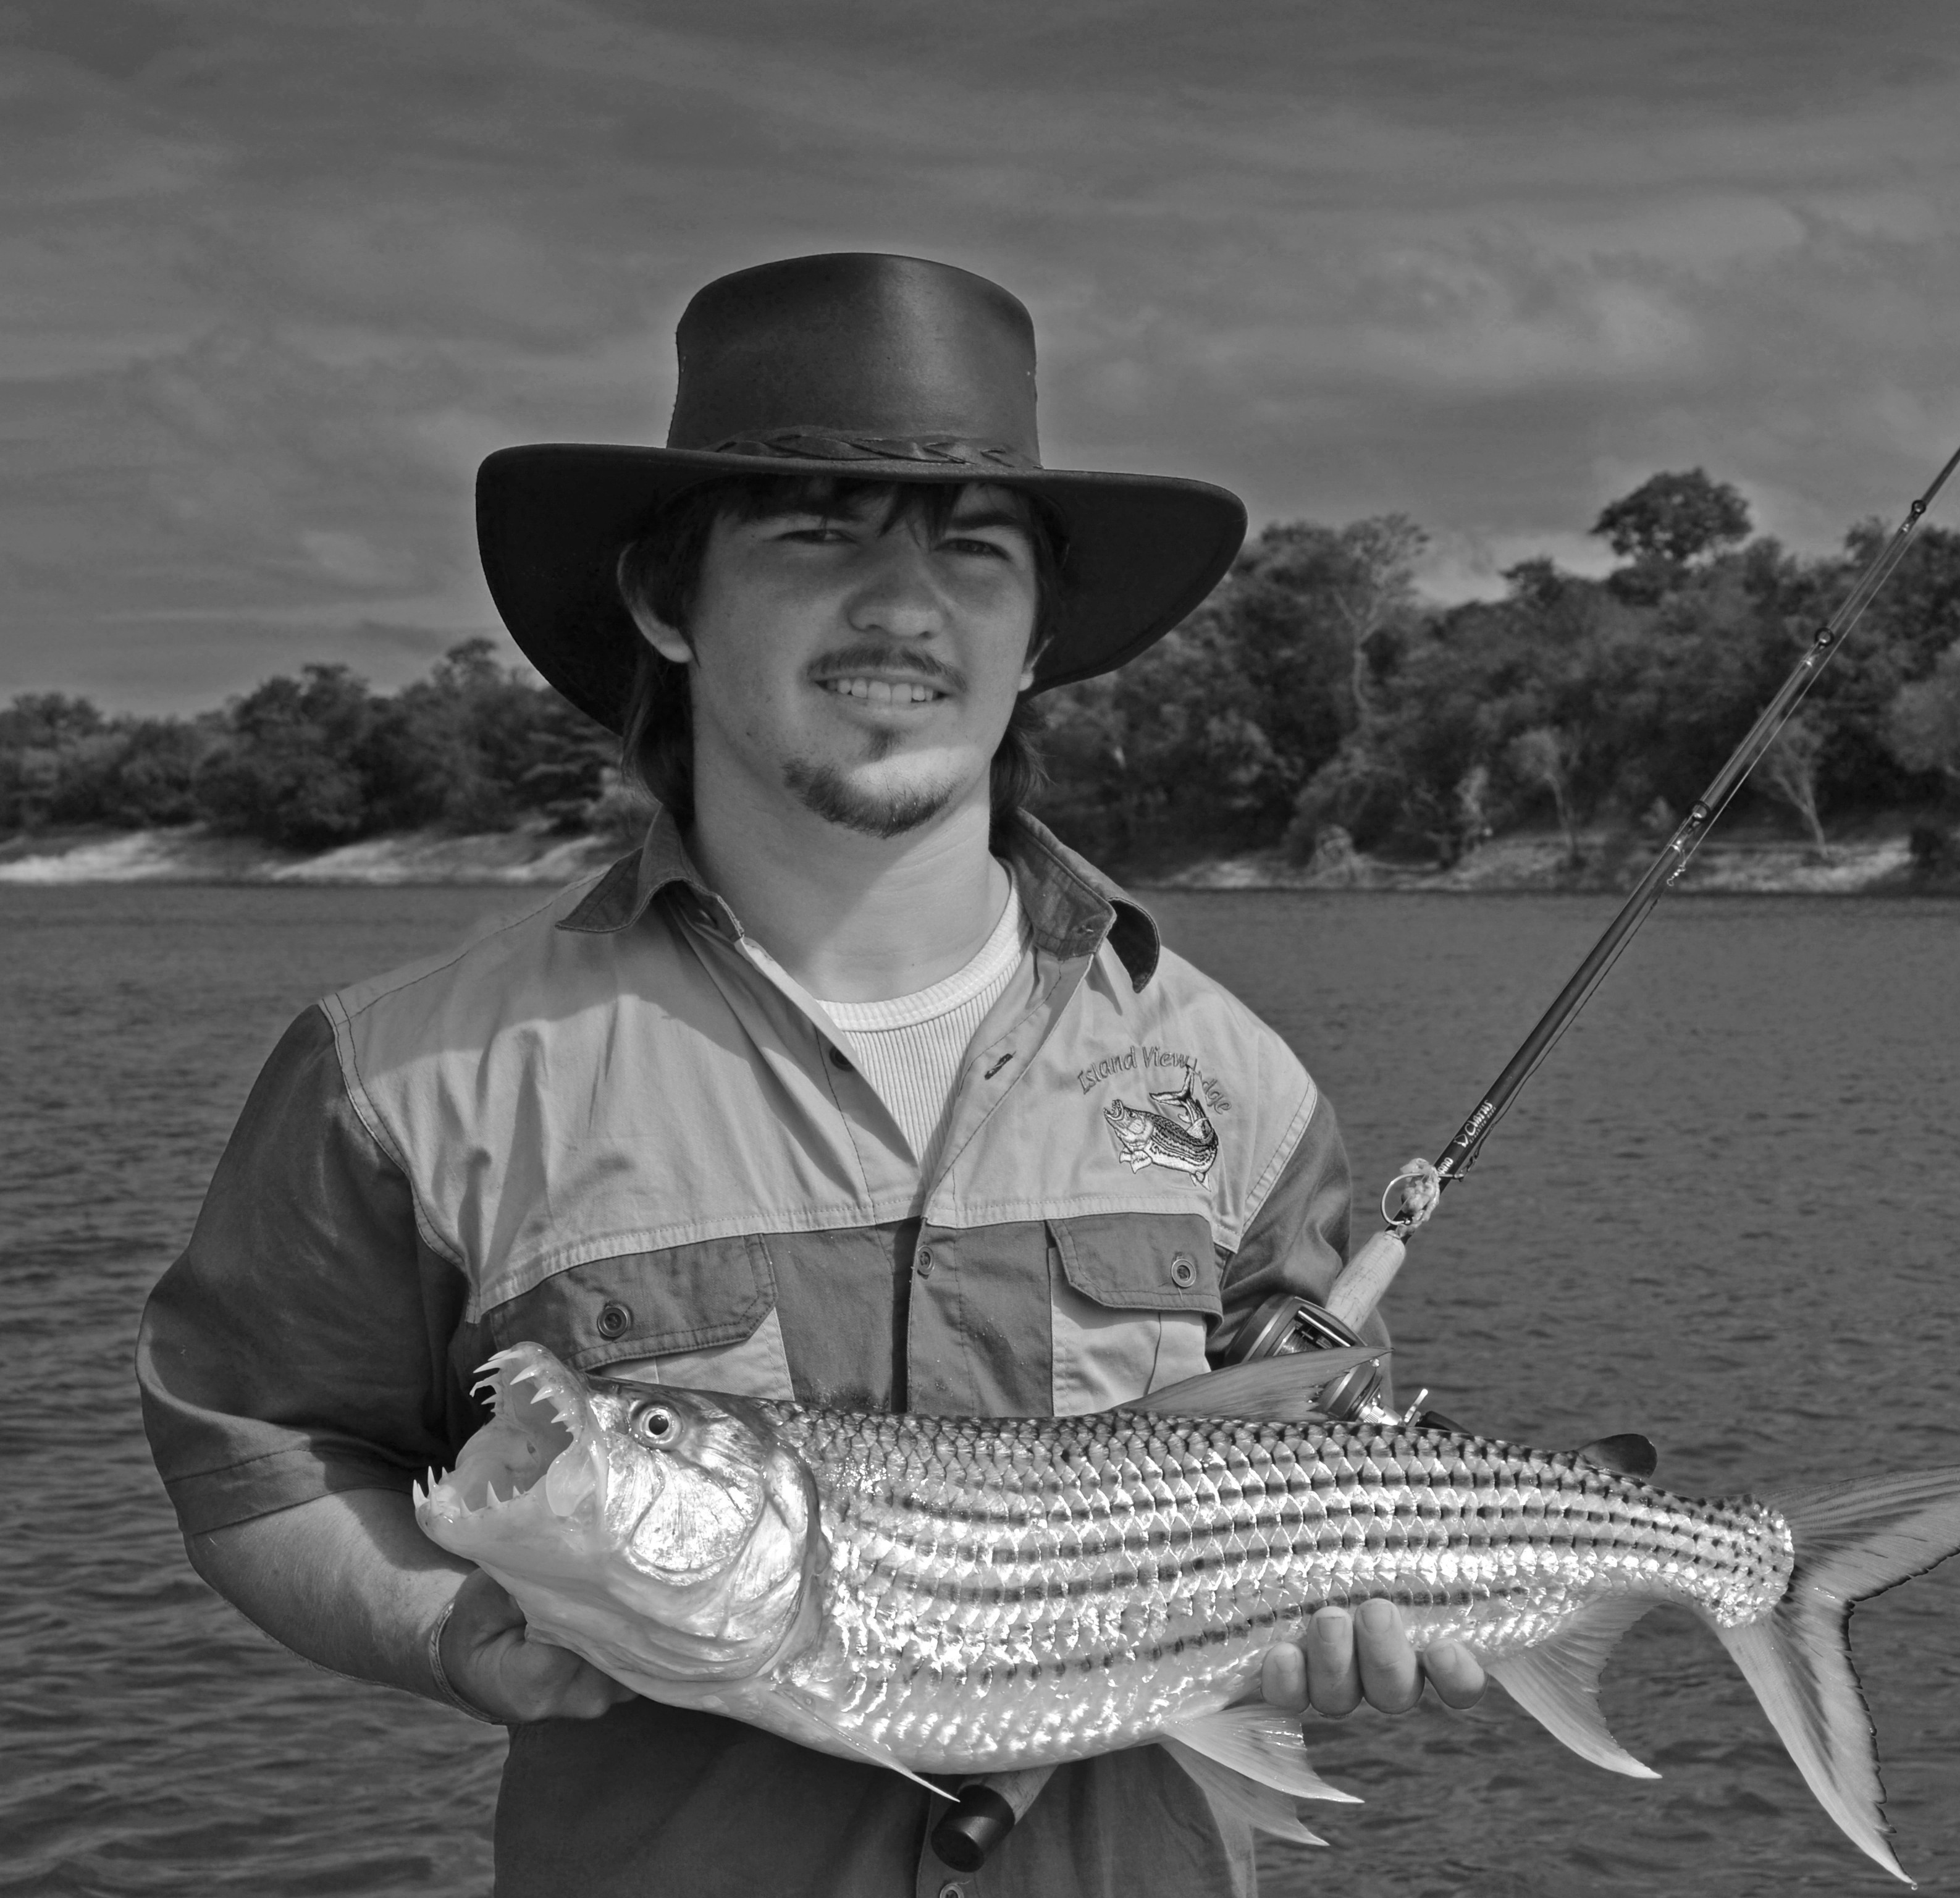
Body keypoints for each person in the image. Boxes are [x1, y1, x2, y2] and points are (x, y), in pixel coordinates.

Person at [138, 252, 1480, 1898]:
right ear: (664, 597)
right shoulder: (401, 1077)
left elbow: (1329, 1405)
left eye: (973, 547)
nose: (904, 608)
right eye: (816, 530)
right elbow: (253, 1454)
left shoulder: (1238, 1074)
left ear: (1038, 624)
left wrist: (1360, 1609)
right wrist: (449, 1629)